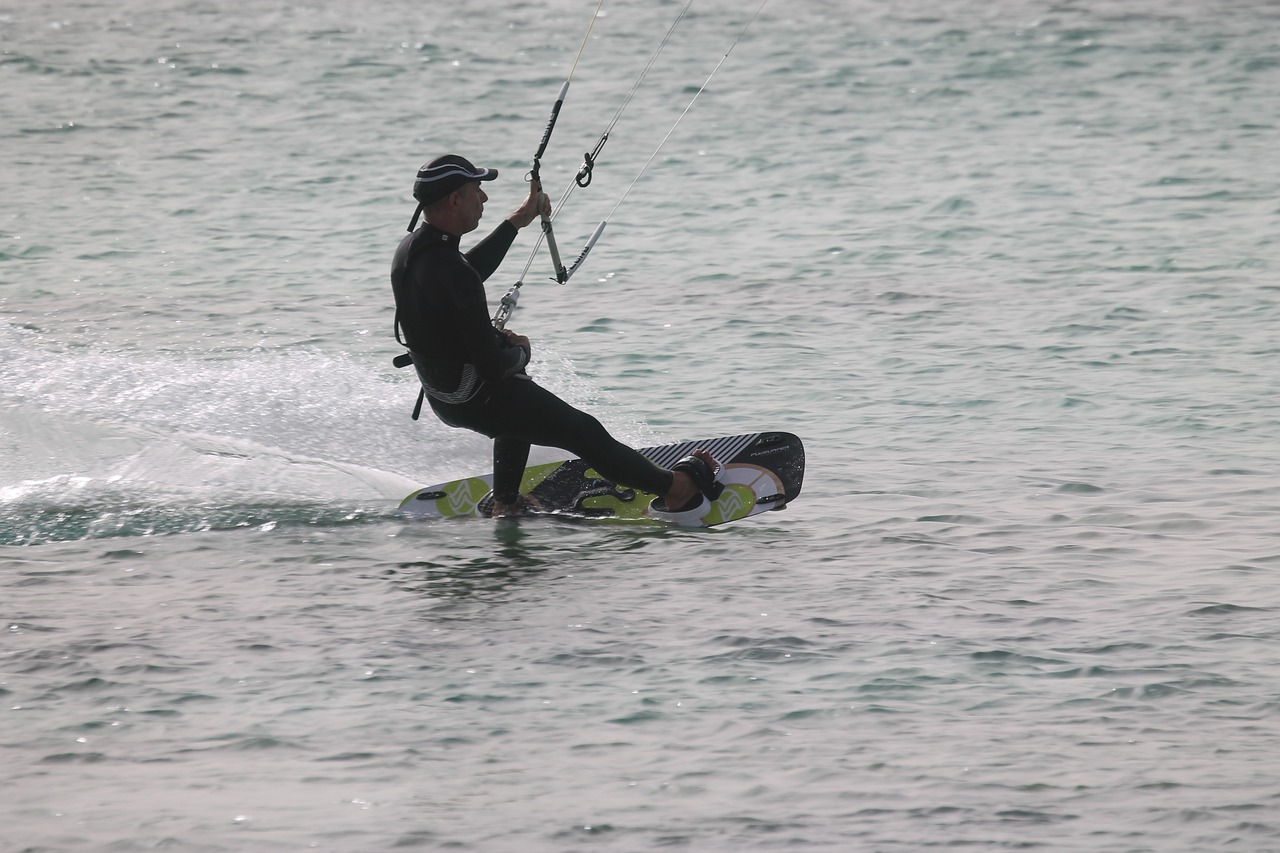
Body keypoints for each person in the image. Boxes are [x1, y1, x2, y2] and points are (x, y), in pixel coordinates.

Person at [391, 153, 721, 520]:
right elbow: (491, 367)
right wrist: (521, 351)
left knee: (520, 405)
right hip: (477, 396)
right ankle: (676, 489)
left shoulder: (413, 251)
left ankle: (506, 502)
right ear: (455, 199)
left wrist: (518, 220)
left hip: (445, 396)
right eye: (476, 190)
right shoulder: (453, 271)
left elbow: (463, 274)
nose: (483, 199)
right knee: (582, 431)